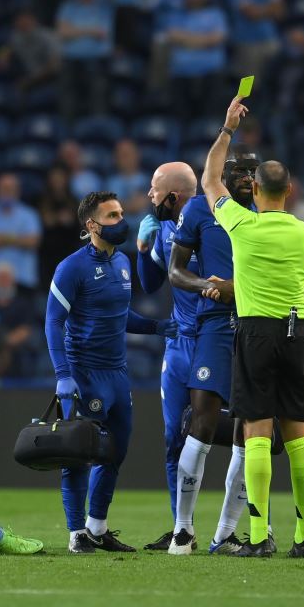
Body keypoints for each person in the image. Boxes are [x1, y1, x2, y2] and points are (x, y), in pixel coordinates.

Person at [201, 98, 304, 559]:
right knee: (300, 435)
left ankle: (255, 537)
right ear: (288, 190)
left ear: (253, 190)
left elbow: (209, 179)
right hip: (296, 333)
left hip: (254, 333)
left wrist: (228, 127)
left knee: (256, 433)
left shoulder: (242, 226)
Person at [47, 191, 177, 553]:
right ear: (92, 225)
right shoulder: (71, 267)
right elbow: (52, 323)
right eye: (112, 215)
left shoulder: (121, 262)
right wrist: (63, 374)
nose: (121, 220)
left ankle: (97, 527)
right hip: (85, 374)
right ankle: (76, 533)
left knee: (114, 452)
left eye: (121, 213)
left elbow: (121, 317)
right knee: (78, 454)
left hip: (118, 375)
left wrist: (156, 327)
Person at [166, 147, 273, 555]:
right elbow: (176, 272)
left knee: (251, 430)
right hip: (215, 326)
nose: (248, 176)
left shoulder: (268, 214)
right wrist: (206, 285)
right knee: (203, 421)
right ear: (222, 175)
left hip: (258, 326)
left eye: (252, 170)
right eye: (239, 170)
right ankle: (183, 529)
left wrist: (239, 290)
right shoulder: (198, 210)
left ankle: (225, 533)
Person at [134, 161, 202, 550]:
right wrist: (143, 250)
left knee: (241, 438)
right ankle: (182, 528)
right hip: (179, 345)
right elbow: (149, 284)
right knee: (172, 437)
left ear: (173, 195)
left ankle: (251, 528)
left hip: (215, 341)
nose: (149, 196)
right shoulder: (161, 229)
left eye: (154, 190)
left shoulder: (213, 221)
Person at [165, 0, 228, 120]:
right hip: (181, 75)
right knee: (180, 119)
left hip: (211, 74)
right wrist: (204, 40)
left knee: (208, 119)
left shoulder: (216, 14)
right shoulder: (175, 15)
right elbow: (172, 36)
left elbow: (217, 38)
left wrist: (187, 40)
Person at [56, 0, 112, 121]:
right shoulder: (68, 6)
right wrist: (90, 30)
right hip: (70, 59)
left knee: (98, 99)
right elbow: (62, 32)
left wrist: (75, 31)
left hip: (97, 59)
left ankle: (97, 133)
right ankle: (69, 136)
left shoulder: (104, 4)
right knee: (68, 100)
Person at [0, 173, 41, 292]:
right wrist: (18, 238)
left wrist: (0, 238)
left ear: (18, 191)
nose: (7, 192)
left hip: (22, 279)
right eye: (3, 188)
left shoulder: (30, 215)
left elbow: (32, 241)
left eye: (10, 188)